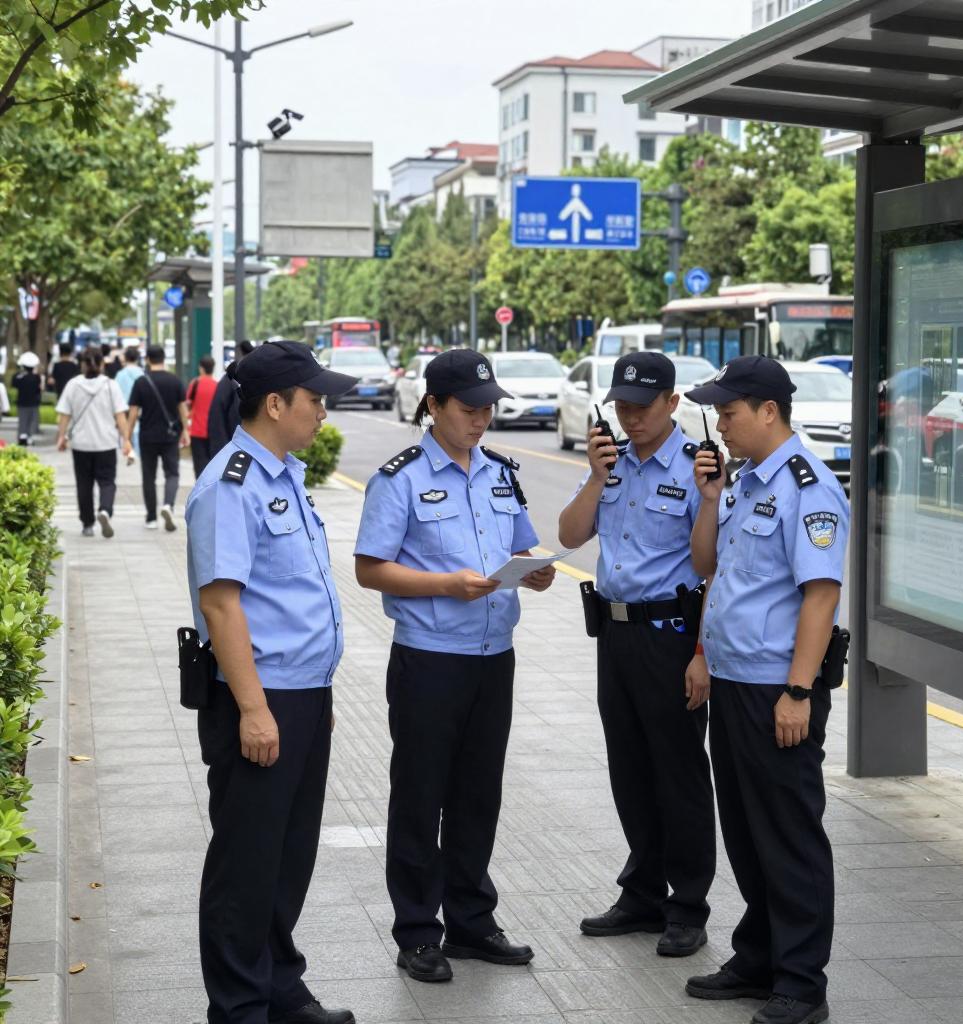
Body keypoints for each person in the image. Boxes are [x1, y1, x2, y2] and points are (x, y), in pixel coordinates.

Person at [353, 349, 554, 985]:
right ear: (434, 406)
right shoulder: (400, 478)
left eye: (488, 408)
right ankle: (417, 931)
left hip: (495, 658)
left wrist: (537, 567)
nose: (481, 420)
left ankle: (472, 922)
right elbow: (369, 567)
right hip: (431, 659)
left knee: (477, 794)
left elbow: (522, 542)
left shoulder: (499, 471)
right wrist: (444, 584)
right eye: (469, 410)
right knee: (421, 795)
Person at [185, 340, 359, 1024]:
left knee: (289, 855)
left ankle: (280, 986)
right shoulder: (231, 484)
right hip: (256, 696)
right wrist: (255, 710)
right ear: (276, 403)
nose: (323, 410)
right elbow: (221, 605)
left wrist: (318, 694)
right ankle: (238, 1006)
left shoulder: (284, 475)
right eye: (315, 399)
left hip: (302, 693)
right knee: (246, 863)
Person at [682, 356, 849, 1024]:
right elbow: (712, 571)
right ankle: (760, 956)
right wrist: (711, 500)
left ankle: (802, 983)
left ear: (768, 411)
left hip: (779, 690)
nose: (720, 425)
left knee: (789, 835)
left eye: (728, 412)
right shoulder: (746, 482)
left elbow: (821, 595)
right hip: (733, 680)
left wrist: (799, 693)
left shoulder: (808, 487)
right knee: (748, 833)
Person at [557, 351, 716, 958]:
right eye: (621, 406)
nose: (631, 417)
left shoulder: (700, 467)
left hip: (672, 634)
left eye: (642, 407)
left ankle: (688, 905)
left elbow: (713, 571)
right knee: (629, 768)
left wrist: (700, 654)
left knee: (678, 772)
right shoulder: (611, 462)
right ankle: (643, 893)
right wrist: (597, 476)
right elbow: (571, 534)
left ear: (672, 404)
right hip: (616, 635)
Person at [55, 348, 132, 537]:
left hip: (81, 444)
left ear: (82, 364)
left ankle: (87, 524)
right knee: (107, 482)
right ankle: (105, 510)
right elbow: (120, 416)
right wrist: (126, 440)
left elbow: (64, 415)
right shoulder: (110, 385)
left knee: (84, 484)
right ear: (101, 364)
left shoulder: (73, 385)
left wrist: (61, 437)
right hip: (105, 443)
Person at [127, 346, 190, 531]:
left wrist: (127, 437)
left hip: (147, 436)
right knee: (172, 473)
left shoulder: (141, 382)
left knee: (149, 477)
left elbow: (132, 413)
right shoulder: (175, 381)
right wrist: (186, 430)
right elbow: (182, 409)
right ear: (163, 358)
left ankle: (151, 518)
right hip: (170, 436)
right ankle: (168, 505)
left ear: (147, 359)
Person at [208, 340, 255, 457]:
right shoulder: (259, 379)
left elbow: (217, 413)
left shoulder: (229, 380)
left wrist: (220, 449)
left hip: (234, 446)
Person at [187, 355, 218, 480]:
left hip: (197, 431)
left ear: (201, 368)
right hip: (212, 432)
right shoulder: (217, 385)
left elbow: (188, 404)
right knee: (212, 464)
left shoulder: (195, 384)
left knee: (199, 465)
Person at [115, 347, 145, 458]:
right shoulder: (142, 373)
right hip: (139, 409)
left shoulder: (120, 374)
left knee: (125, 433)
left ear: (126, 358)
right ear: (137, 358)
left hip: (123, 410)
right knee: (137, 432)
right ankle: (136, 453)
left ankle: (127, 452)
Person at [12, 352, 42, 445]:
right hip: (33, 403)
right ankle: (29, 437)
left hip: (22, 402)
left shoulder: (19, 377)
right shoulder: (37, 377)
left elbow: (14, 384)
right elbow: (38, 390)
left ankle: (22, 437)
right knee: (31, 420)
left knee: (22, 420)